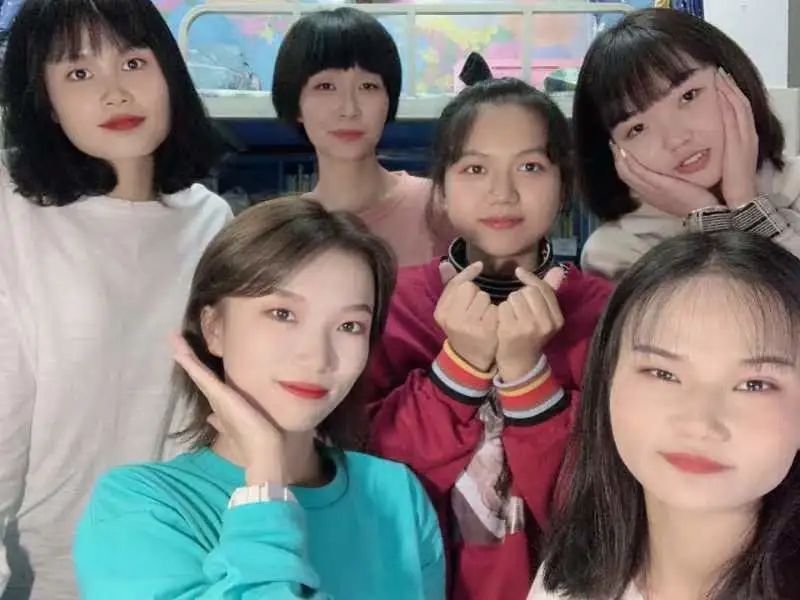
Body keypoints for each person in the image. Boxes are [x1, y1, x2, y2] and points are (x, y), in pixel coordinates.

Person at [74, 197, 445, 600]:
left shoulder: (396, 493)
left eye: (350, 326)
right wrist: (266, 479)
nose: (317, 356)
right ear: (213, 327)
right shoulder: (140, 509)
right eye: (282, 314)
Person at [0, 0, 231, 596]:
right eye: (79, 72)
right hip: (39, 570)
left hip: (175, 559)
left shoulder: (212, 223)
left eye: (133, 62)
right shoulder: (14, 214)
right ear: (44, 101)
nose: (115, 93)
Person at [367, 77, 613, 599]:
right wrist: (459, 366)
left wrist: (527, 378)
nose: (503, 193)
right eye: (475, 169)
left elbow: (606, 505)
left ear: (564, 185)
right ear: (440, 187)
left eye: (530, 167)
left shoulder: (609, 315)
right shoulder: (390, 306)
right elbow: (372, 483)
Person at [530, 230, 800, 599]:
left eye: (755, 384)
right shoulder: (565, 583)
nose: (699, 423)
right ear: (607, 382)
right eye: (663, 373)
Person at [574, 8, 800, 279]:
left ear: (734, 80)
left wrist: (745, 202)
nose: (676, 139)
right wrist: (708, 218)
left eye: (689, 96)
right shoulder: (614, 254)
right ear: (612, 153)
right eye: (637, 128)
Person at [272, 6, 451, 266]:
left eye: (368, 86)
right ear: (296, 103)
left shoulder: (440, 208)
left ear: (389, 99)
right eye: (325, 86)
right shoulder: (281, 234)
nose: (349, 109)